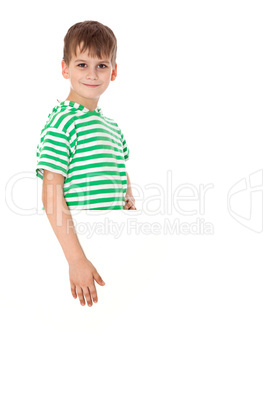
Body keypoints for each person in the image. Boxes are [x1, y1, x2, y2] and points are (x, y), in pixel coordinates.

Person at [36, 20, 136, 308]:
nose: (92, 74)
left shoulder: (111, 126)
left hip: (111, 244)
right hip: (79, 245)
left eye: (101, 66)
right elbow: (51, 191)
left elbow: (120, 168)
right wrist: (76, 259)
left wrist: (127, 196)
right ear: (65, 68)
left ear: (113, 71)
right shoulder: (64, 121)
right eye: (82, 65)